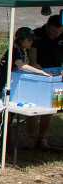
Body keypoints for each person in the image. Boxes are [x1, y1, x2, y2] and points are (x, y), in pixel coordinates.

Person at [31, 14, 62, 148]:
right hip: (39, 74)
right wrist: (39, 69)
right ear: (48, 26)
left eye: (59, 32)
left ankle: (43, 138)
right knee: (34, 108)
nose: (56, 35)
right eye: (54, 31)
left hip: (58, 77)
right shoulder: (36, 34)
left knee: (52, 108)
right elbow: (32, 59)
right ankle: (31, 138)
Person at [0, 27, 48, 99]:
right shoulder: (15, 50)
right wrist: (40, 72)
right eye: (29, 40)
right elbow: (22, 66)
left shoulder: (21, 50)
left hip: (6, 87)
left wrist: (35, 67)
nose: (32, 42)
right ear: (21, 40)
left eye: (32, 39)